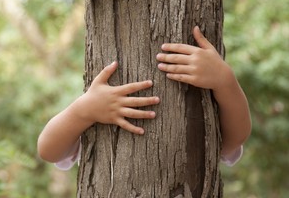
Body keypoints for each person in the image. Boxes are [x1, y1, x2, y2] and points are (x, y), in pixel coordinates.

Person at [37, 26, 252, 169]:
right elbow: (48, 150)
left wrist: (226, 81)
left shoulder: (207, 110)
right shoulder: (99, 109)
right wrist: (83, 110)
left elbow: (233, 139)